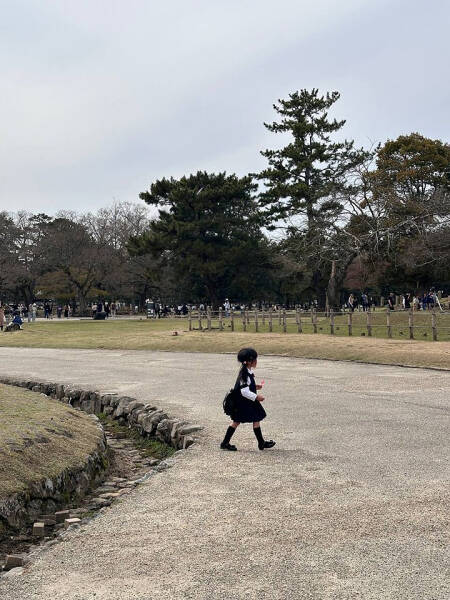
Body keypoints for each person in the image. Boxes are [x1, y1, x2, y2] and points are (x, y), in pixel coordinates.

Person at [221, 347, 276, 452]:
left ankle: (261, 443)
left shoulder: (247, 371)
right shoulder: (244, 375)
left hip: (247, 402)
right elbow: (244, 392)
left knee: (255, 418)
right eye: (255, 359)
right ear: (250, 361)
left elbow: (247, 387)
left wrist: (255, 387)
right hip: (243, 403)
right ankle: (225, 443)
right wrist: (257, 397)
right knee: (237, 421)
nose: (256, 361)